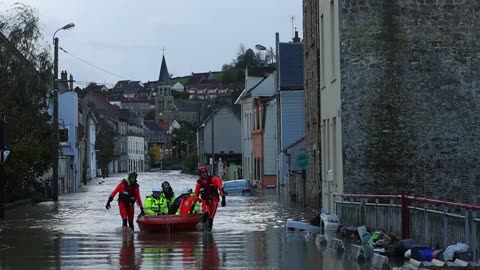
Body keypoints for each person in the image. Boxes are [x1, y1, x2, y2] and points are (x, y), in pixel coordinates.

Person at [194, 166, 226, 231]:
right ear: (200, 174)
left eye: (205, 172)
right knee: (206, 212)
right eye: (202, 172)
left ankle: (209, 227)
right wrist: (192, 206)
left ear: (207, 172)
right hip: (205, 200)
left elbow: (220, 188)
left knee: (211, 217)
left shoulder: (214, 179)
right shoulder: (199, 183)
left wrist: (223, 198)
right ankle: (203, 222)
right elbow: (196, 196)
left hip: (214, 199)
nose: (204, 173)